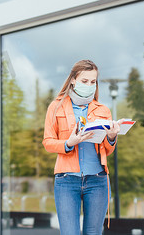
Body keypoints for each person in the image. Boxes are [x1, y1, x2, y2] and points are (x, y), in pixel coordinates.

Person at [43, 59, 122, 235]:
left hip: (97, 180)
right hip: (66, 181)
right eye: (84, 81)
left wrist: (111, 137)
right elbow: (47, 142)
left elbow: (107, 150)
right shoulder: (56, 107)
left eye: (93, 82)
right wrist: (69, 143)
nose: (89, 85)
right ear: (73, 80)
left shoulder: (103, 110)